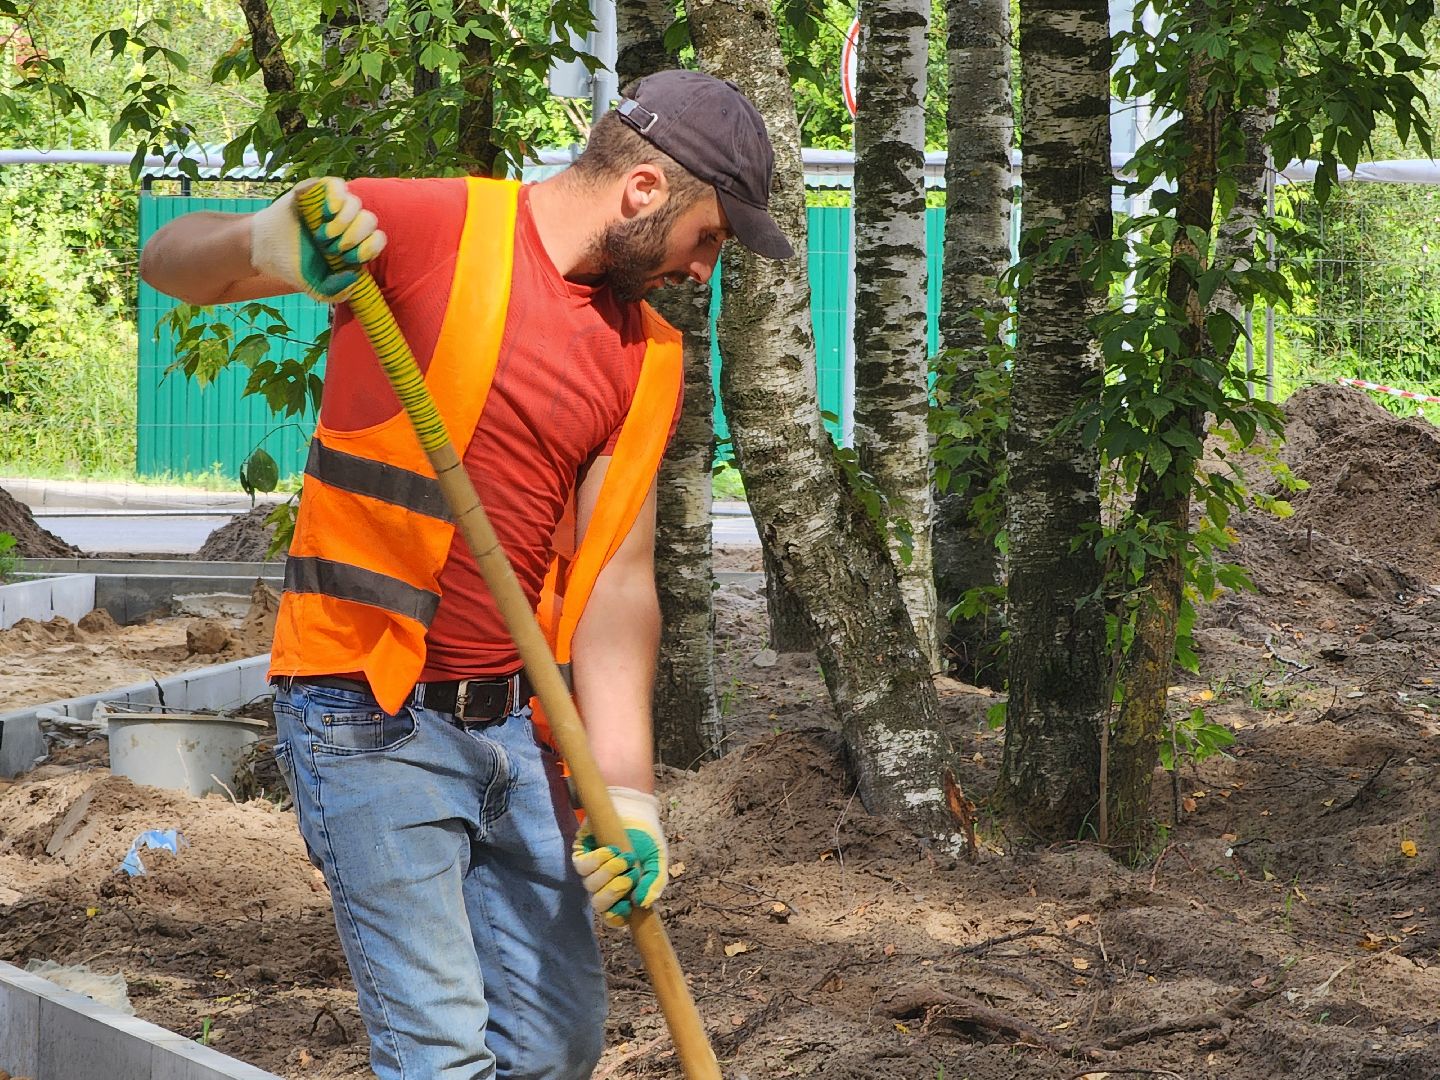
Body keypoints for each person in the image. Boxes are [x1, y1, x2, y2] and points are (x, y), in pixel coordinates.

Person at [139, 69, 793, 1080]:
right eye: (709, 238)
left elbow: (620, 591)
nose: (703, 270)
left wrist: (628, 796)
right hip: (369, 714)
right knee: (439, 1054)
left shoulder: (645, 356)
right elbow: (170, 258)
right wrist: (274, 245)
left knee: (554, 1042)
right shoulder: (430, 227)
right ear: (646, 192)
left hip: (519, 736)